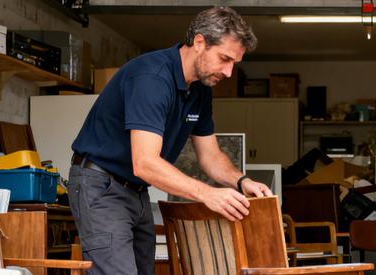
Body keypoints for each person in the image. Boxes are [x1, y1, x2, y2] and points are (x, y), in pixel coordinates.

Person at [68, 7, 273, 275]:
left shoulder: (200, 89)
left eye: (234, 62)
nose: (228, 72)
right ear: (199, 42)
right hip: (103, 186)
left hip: (136, 191)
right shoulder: (152, 78)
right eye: (224, 59)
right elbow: (145, 163)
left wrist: (242, 182)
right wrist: (207, 194)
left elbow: (210, 157)